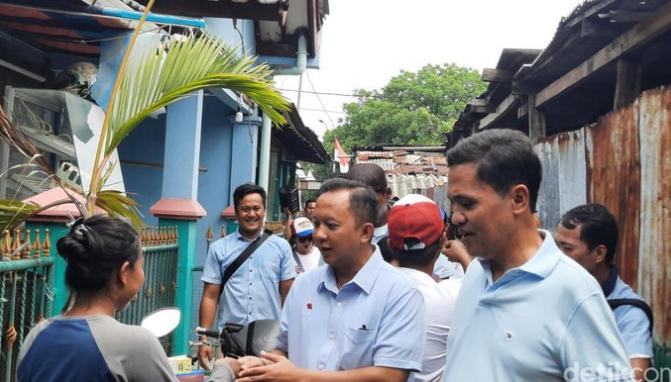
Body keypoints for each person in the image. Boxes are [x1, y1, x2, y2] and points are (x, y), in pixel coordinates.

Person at [441, 129, 633, 382]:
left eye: (467, 204)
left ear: (518, 199)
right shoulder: (477, 271)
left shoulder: (573, 292)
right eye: (453, 204)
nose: (456, 217)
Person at [235, 178, 425, 382]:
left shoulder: (400, 293)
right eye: (317, 223)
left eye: (331, 225)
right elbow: (283, 352)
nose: (319, 235)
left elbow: (390, 376)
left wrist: (299, 378)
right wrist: (262, 365)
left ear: (365, 232)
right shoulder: (303, 285)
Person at [17, 216, 235, 382]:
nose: (142, 275)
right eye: (141, 265)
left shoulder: (36, 336)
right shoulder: (134, 343)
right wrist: (224, 369)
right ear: (124, 272)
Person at [199, 183, 296, 369]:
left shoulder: (281, 248)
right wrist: (204, 340)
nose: (251, 214)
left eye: (256, 208)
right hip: (230, 339)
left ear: (264, 210)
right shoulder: (219, 249)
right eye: (245, 209)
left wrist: (290, 338)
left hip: (270, 340)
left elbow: (289, 297)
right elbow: (210, 296)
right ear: (236, 211)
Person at [555, 204, 653, 381]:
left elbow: (636, 377)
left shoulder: (629, 312)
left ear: (599, 253)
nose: (558, 256)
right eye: (557, 246)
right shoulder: (551, 292)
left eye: (567, 248)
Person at [387, 194, 461, 382]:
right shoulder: (453, 296)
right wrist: (464, 256)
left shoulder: (367, 292)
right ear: (443, 239)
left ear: (389, 244)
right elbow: (484, 287)